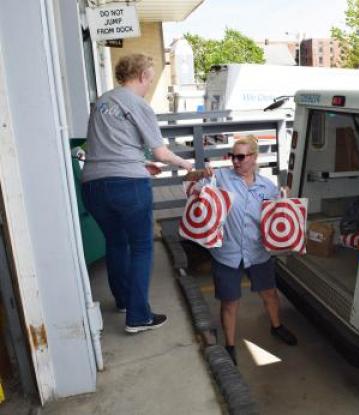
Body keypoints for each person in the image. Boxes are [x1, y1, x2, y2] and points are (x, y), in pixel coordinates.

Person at [82, 54, 194, 333]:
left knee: (116, 243)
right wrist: (185, 164)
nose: (149, 84)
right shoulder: (137, 104)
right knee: (143, 247)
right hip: (128, 186)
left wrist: (140, 164)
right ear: (142, 75)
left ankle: (123, 301)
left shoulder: (101, 103)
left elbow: (105, 149)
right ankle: (138, 316)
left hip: (93, 185)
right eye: (151, 79)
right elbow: (161, 151)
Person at [191, 136, 297, 364]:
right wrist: (200, 175)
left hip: (258, 252)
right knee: (229, 302)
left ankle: (276, 326)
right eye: (232, 156)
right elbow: (192, 188)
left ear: (254, 157)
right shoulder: (219, 178)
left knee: (269, 293)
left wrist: (284, 200)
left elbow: (275, 217)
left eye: (240, 157)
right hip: (227, 253)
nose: (235, 162)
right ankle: (230, 345)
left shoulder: (267, 186)